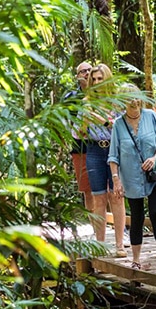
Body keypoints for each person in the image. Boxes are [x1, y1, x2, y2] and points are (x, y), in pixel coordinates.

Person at [108, 84, 156, 272]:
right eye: (128, 99)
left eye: (135, 97)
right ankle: (135, 260)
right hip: (131, 178)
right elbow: (113, 156)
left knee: (155, 213)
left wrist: (155, 158)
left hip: (154, 176)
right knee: (136, 217)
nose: (133, 102)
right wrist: (116, 180)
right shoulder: (119, 125)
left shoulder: (151, 116)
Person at [86, 64, 127, 256]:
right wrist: (86, 121)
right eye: (93, 79)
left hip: (113, 150)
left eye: (100, 78)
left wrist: (100, 119)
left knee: (116, 197)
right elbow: (78, 133)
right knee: (98, 198)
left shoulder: (117, 103)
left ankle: (120, 244)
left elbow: (119, 127)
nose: (96, 82)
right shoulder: (87, 102)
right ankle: (100, 245)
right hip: (94, 149)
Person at [67, 61, 94, 210]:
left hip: (104, 147)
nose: (87, 73)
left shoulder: (104, 94)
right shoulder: (71, 98)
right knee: (87, 190)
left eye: (90, 70)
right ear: (77, 76)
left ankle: (111, 225)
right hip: (81, 149)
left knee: (107, 189)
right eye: (83, 71)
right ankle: (94, 225)